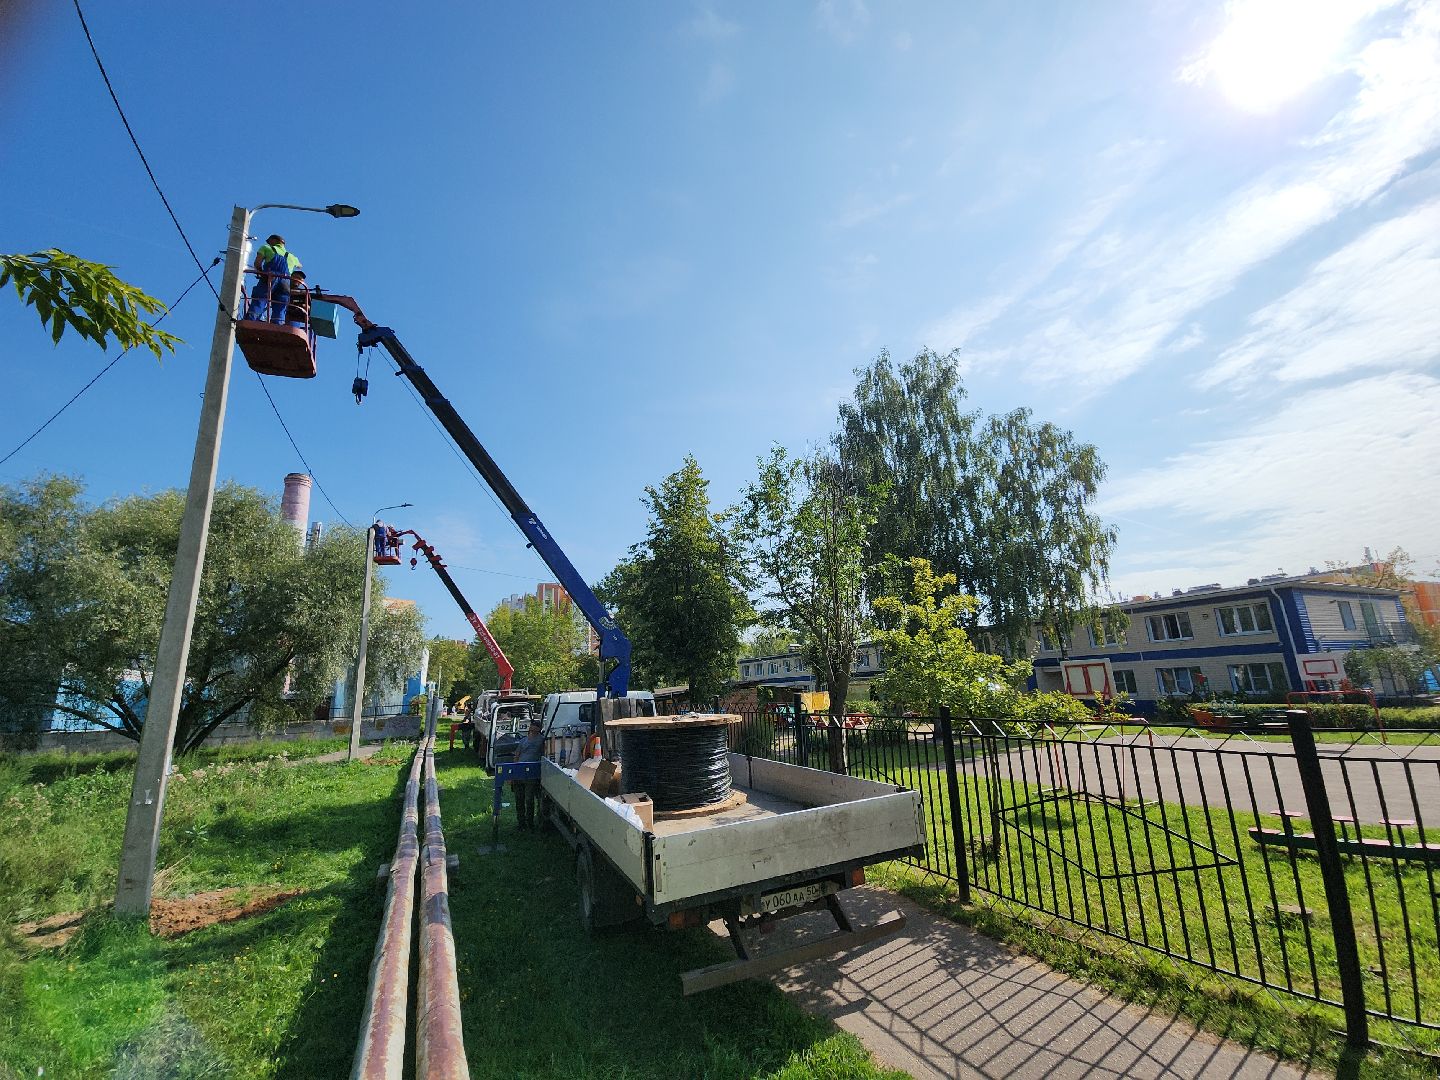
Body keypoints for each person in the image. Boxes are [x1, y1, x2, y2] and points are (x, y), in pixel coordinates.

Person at [246, 234, 301, 322]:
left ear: (274, 240)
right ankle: (277, 323)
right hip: (285, 282)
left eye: (269, 241)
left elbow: (257, 263)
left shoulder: (266, 248)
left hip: (270, 277)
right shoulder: (292, 257)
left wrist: (261, 274)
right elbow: (299, 266)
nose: (269, 243)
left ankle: (252, 319)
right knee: (281, 303)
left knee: (260, 298)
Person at [510, 718, 544, 830]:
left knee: (529, 799)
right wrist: (514, 771)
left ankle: (530, 823)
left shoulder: (541, 740)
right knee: (519, 799)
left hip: (531, 774)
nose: (533, 730)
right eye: (532, 728)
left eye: (535, 729)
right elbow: (516, 755)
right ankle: (521, 823)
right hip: (519, 772)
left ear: (539, 729)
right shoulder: (523, 741)